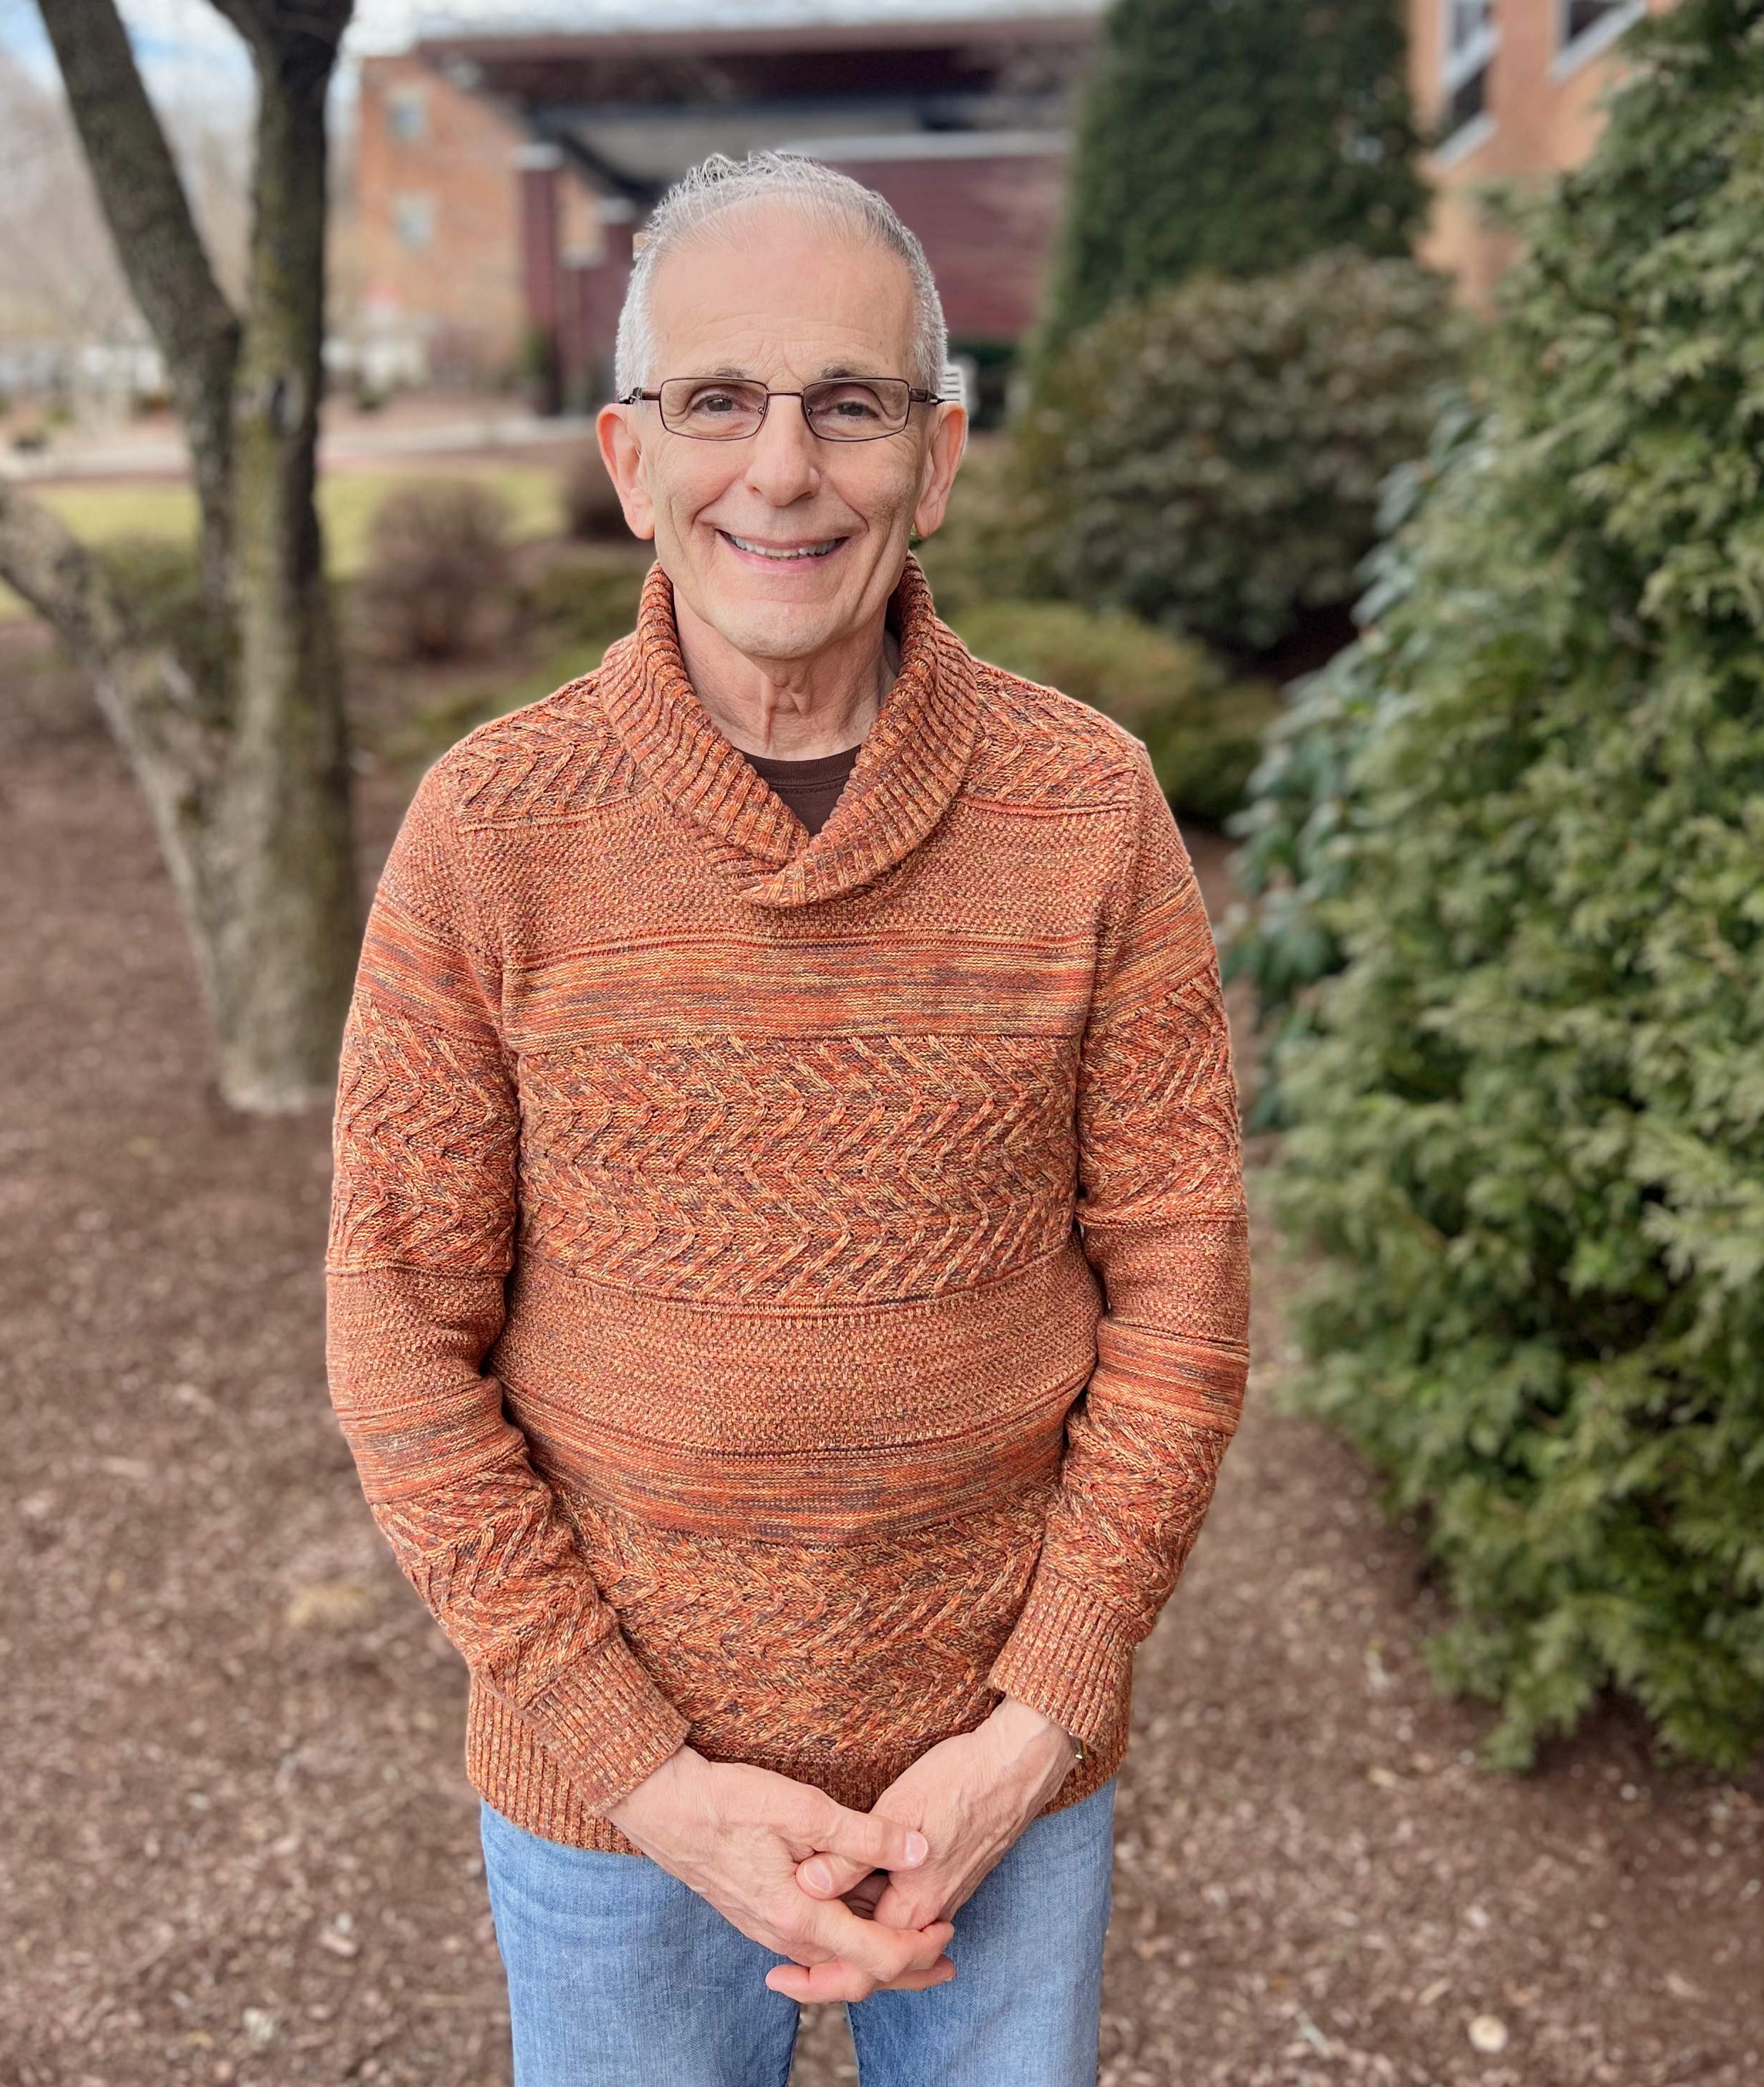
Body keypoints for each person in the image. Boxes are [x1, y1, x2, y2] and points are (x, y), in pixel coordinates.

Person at [324, 152, 1250, 2087]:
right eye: (718, 403)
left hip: (999, 1789)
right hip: (616, 1812)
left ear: (940, 453)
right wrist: (652, 1781)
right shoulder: (495, 832)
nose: (783, 469)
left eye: (850, 402)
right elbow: (398, 1344)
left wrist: (1037, 1724)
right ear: (627, 455)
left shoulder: (1089, 812)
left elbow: (1182, 1297)